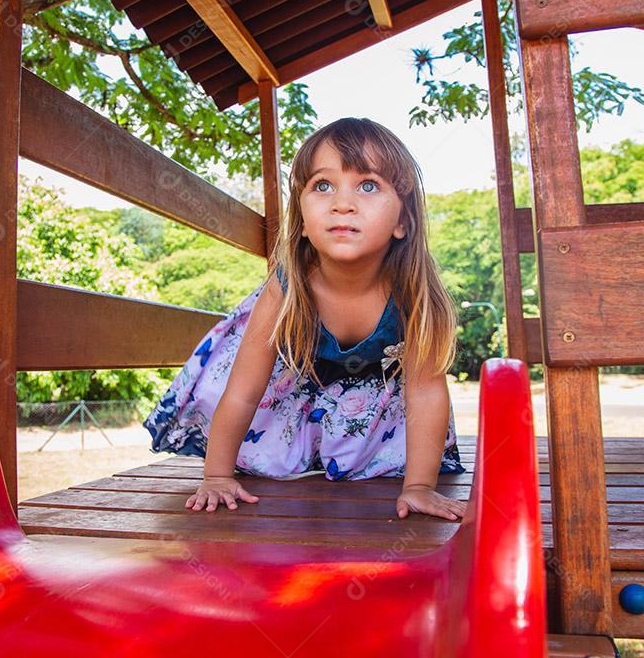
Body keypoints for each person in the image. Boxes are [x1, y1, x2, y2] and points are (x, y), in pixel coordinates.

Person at [142, 117, 467, 521]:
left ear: (403, 221)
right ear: (302, 213)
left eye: (368, 185)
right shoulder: (287, 286)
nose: (342, 203)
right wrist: (217, 476)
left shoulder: (415, 293)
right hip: (291, 385)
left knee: (397, 436)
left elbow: (426, 393)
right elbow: (243, 390)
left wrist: (419, 486)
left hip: (375, 395)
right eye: (322, 185)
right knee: (255, 412)